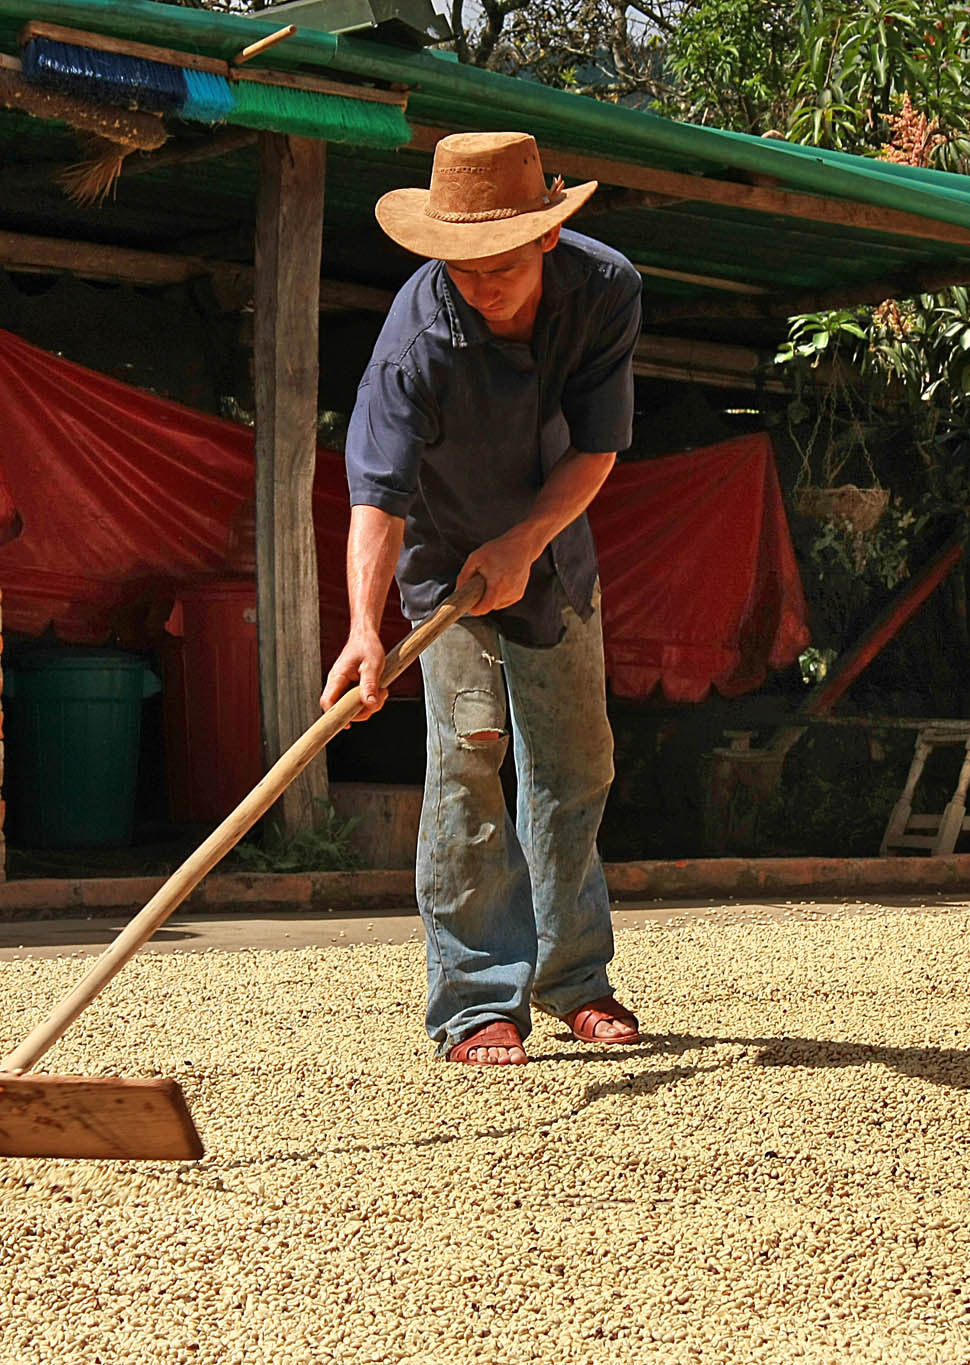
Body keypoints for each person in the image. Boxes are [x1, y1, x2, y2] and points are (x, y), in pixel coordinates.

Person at [322, 131, 642, 1066]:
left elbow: (597, 447)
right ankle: (474, 1001)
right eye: (455, 269)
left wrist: (526, 542)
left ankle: (575, 978)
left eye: (496, 267)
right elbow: (376, 498)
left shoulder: (606, 290)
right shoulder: (413, 342)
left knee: (576, 766)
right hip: (445, 563)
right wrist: (362, 632)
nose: (475, 285)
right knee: (468, 765)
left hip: (553, 542)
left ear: (546, 239)